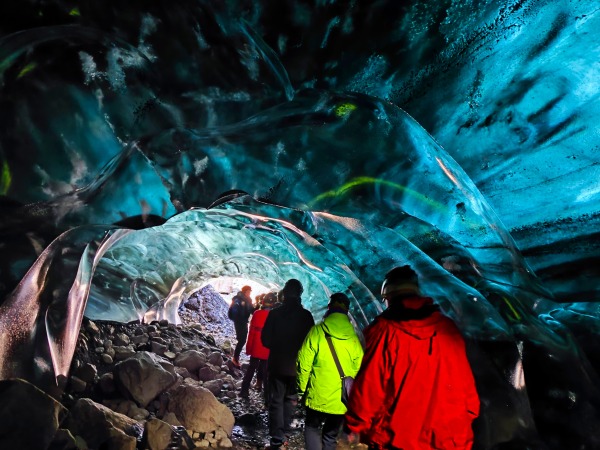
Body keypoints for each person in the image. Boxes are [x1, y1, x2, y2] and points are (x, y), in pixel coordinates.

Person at [344, 266, 480, 450]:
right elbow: (468, 391)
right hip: (448, 439)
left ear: (388, 297)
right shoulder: (448, 328)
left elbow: (370, 387)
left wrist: (354, 424)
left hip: (398, 439)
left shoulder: (384, 331)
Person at [297, 293, 364, 450]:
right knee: (330, 436)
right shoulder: (354, 338)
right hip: (341, 399)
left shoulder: (317, 332)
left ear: (329, 308)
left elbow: (303, 364)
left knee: (312, 428)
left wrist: (301, 390)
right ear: (347, 311)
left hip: (317, 395)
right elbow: (359, 369)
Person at [261, 279, 315, 449]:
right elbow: (311, 344)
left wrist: (278, 347)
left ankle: (277, 437)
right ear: (300, 294)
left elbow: (265, 340)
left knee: (276, 400)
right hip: (296, 367)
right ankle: (285, 432)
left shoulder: (274, 314)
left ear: (284, 293)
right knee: (290, 399)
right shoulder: (306, 316)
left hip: (277, 364)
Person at [239, 292, 278, 398]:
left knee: (251, 368)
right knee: (266, 372)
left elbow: (251, 333)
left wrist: (249, 349)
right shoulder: (275, 316)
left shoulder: (257, 313)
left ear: (263, 302)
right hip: (267, 349)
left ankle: (244, 390)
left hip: (256, 347)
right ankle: (267, 396)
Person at [228, 285, 255, 367]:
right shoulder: (238, 299)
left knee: (242, 339)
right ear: (245, 291)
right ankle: (235, 358)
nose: (249, 293)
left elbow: (252, 311)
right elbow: (235, 311)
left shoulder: (248, 299)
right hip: (239, 322)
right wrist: (239, 319)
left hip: (243, 322)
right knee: (242, 340)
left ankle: (236, 357)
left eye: (250, 291)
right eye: (249, 291)